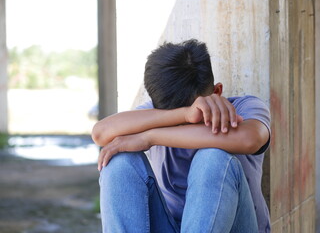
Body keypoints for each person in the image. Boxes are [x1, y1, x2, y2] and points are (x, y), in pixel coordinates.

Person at [92, 39, 271, 233]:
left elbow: (250, 139)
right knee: (120, 161)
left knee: (212, 157)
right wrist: (185, 114)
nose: (184, 125)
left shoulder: (243, 108)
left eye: (196, 117)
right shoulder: (160, 114)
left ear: (217, 92)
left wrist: (149, 138)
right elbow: (101, 132)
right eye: (178, 121)